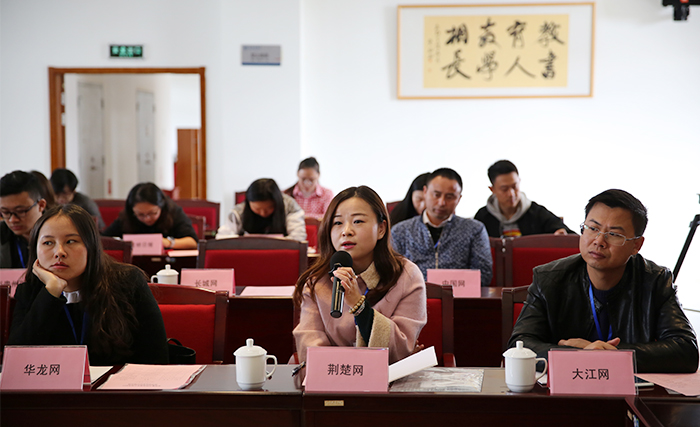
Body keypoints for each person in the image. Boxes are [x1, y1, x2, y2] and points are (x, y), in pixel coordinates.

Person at [508, 189, 698, 373]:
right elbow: (520, 344)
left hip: (631, 391)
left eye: (614, 234)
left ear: (636, 245)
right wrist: (581, 355)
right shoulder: (549, 278)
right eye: (593, 228)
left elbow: (686, 350)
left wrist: (611, 355)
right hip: (566, 387)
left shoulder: (655, 281)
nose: (599, 241)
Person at [8, 204, 169, 365]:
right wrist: (51, 292)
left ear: (91, 246)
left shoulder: (128, 282)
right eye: (48, 243)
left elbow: (156, 358)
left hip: (120, 381)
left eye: (71, 241)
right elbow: (17, 361)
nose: (59, 252)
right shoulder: (29, 292)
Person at [293, 186, 427, 364]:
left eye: (357, 221)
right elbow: (310, 349)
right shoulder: (317, 280)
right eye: (337, 223)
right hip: (330, 378)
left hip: (387, 379)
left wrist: (359, 306)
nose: (346, 231)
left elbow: (401, 349)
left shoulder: (406, 275)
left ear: (381, 228)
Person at [391, 168, 493, 287]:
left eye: (449, 197)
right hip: (413, 295)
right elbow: (392, 274)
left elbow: (484, 274)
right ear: (425, 192)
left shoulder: (474, 229)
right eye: (436, 195)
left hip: (460, 296)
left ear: (459, 198)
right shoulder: (401, 231)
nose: (441, 202)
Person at [475, 160, 574, 238]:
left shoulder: (537, 213)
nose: (511, 194)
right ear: (492, 189)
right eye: (504, 189)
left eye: (515, 186)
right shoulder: (482, 217)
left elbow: (572, 237)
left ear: (519, 181)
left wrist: (562, 233)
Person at [103, 183, 198, 250]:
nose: (147, 218)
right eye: (140, 214)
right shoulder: (127, 217)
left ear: (161, 206)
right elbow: (103, 239)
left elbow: (193, 242)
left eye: (153, 213)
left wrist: (168, 242)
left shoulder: (173, 212)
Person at [218, 178, 306, 242]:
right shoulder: (240, 211)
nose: (263, 213)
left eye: (269, 208)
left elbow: (297, 238)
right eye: (257, 209)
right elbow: (223, 238)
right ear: (248, 203)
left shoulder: (290, 207)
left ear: (277, 203)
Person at [1, 171, 47, 268]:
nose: (13, 220)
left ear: (41, 205)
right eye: (5, 212)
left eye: (20, 211)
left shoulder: (62, 232)